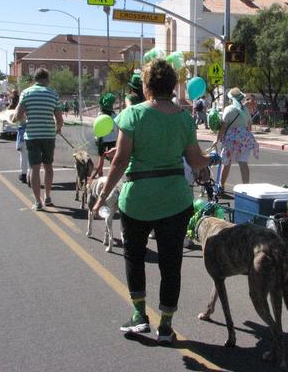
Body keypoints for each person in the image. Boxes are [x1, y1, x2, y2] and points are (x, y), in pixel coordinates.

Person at [91, 59, 218, 344]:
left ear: (146, 86)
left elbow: (121, 161)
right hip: (175, 199)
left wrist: (101, 196)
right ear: (173, 86)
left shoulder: (132, 115)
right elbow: (196, 161)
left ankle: (139, 316)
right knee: (171, 264)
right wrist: (213, 157)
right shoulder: (185, 118)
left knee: (134, 256)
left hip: (137, 200)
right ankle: (166, 327)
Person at [12, 68, 63, 211]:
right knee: (48, 166)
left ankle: (37, 201)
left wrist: (21, 119)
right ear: (47, 79)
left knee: (35, 167)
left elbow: (18, 114)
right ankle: (47, 197)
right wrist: (57, 128)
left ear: (35, 79)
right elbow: (59, 119)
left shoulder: (26, 93)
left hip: (32, 135)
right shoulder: (53, 94)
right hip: (48, 135)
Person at [213, 87, 259, 192]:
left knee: (227, 163)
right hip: (244, 139)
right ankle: (246, 188)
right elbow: (249, 126)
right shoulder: (245, 110)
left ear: (231, 99)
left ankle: (222, 185)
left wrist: (217, 139)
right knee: (243, 163)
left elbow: (224, 127)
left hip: (230, 139)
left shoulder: (228, 109)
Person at [97, 93, 118, 157]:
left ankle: (100, 166)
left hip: (103, 138)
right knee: (112, 155)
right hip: (112, 138)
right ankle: (111, 165)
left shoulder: (100, 115)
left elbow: (98, 127)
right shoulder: (114, 115)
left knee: (102, 155)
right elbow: (116, 128)